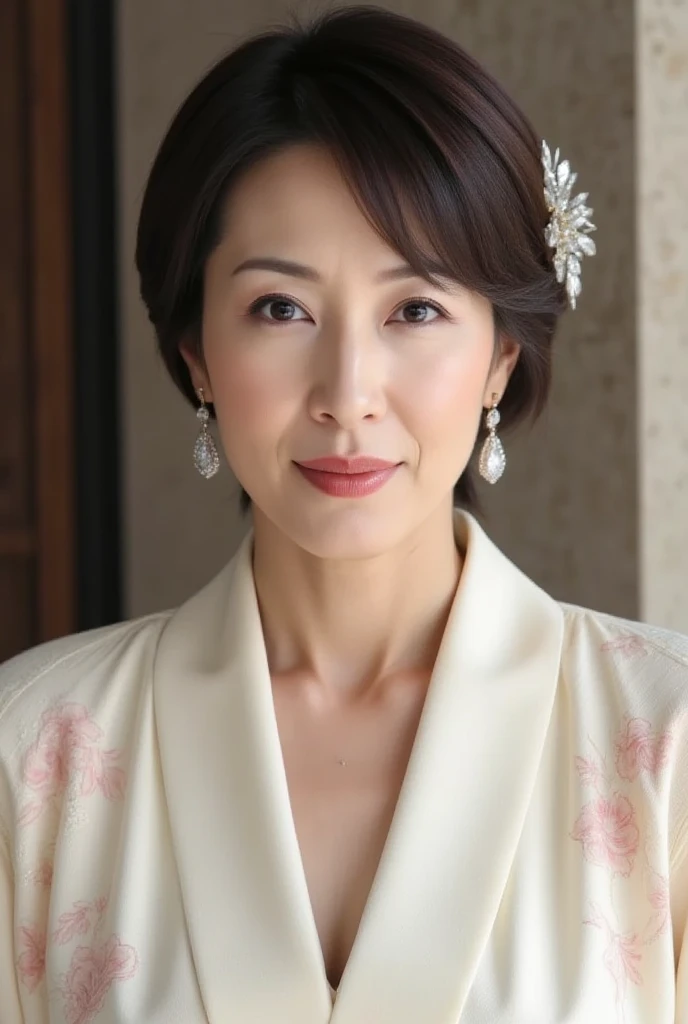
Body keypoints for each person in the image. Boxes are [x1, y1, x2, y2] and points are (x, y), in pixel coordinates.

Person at [1, 5, 687, 1021]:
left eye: (415, 309)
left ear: (501, 353)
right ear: (196, 351)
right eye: (281, 309)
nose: (347, 391)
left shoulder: (663, 746)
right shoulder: (36, 751)